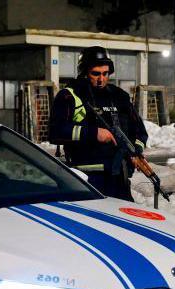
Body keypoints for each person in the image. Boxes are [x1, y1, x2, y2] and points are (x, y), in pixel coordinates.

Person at [49, 46, 149, 201]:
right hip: (86, 180)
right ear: (84, 73)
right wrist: (94, 133)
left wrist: (135, 151)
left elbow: (140, 132)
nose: (101, 79)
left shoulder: (119, 96)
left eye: (105, 73)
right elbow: (56, 132)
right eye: (95, 74)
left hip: (118, 178)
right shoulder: (69, 96)